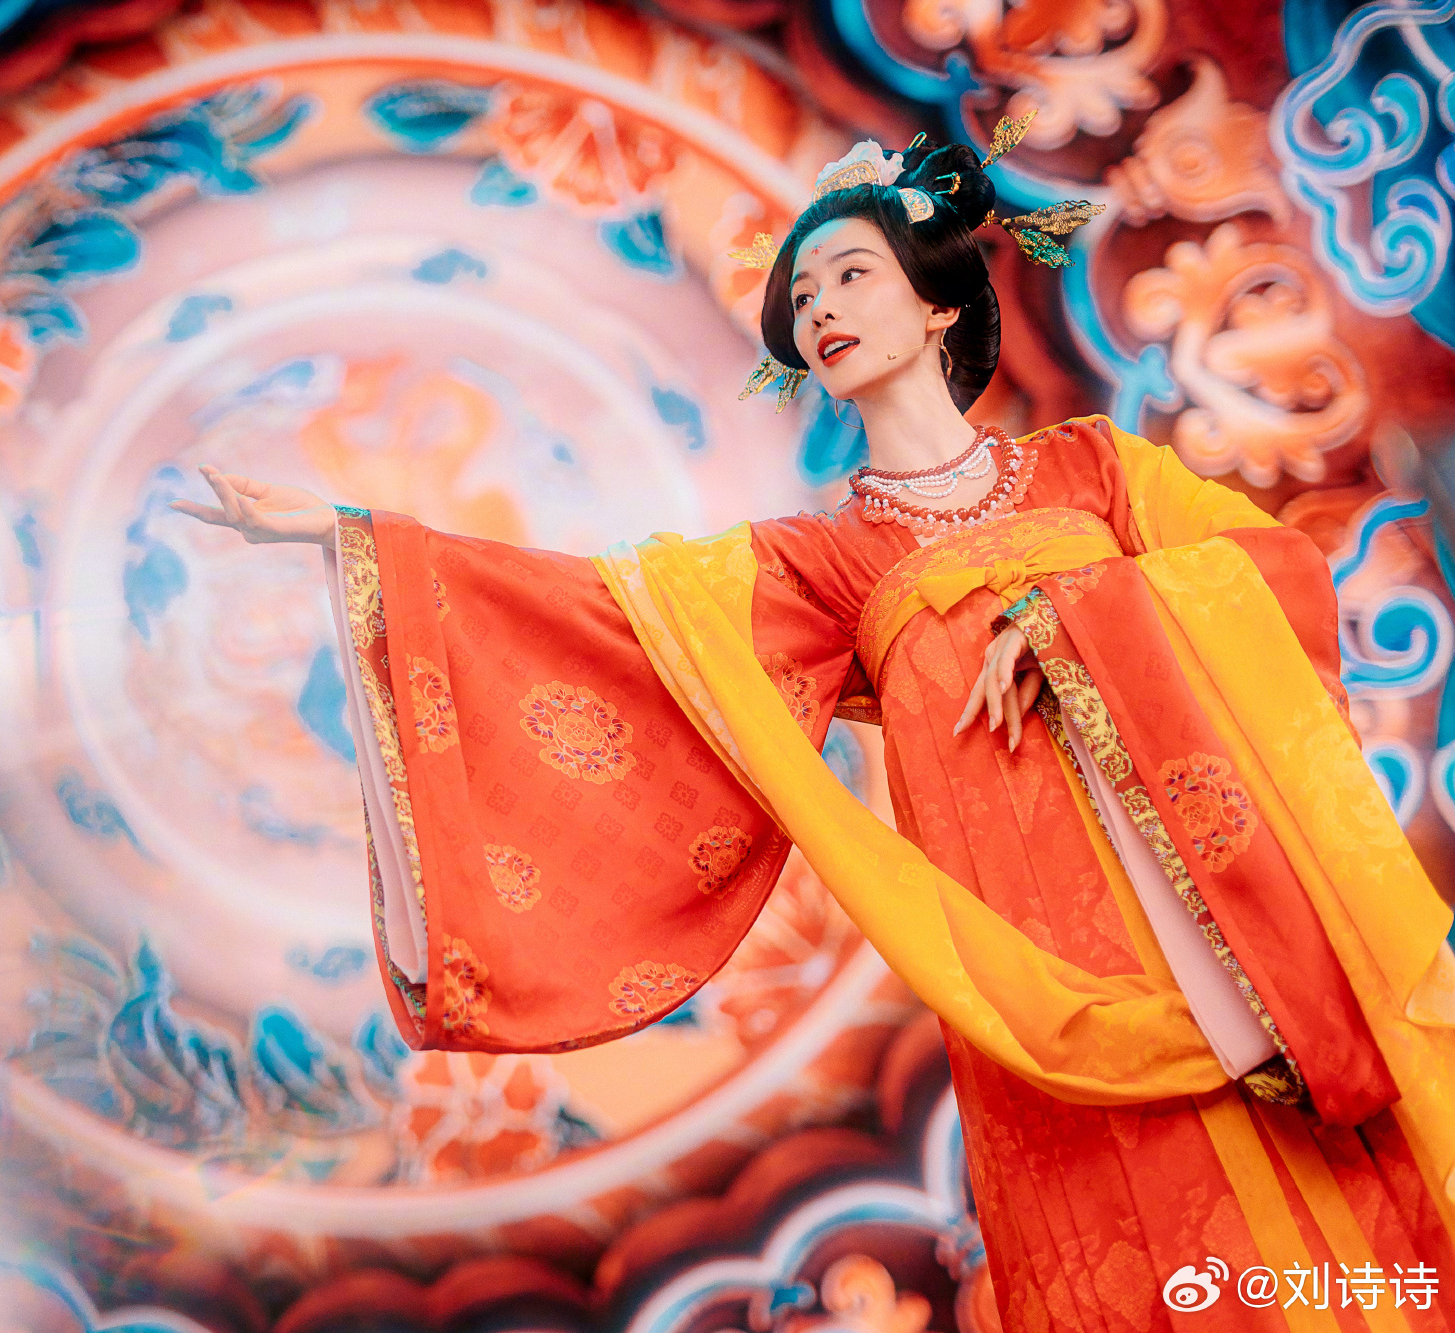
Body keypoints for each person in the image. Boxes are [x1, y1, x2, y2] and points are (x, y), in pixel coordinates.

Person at [171, 123, 1455, 1330]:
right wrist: (359, 543)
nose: (818, 308)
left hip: (1234, 930)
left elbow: (1273, 575)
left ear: (937, 306)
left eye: (849, 275)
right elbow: (607, 619)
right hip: (1030, 966)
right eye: (801, 295)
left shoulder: (1096, 471)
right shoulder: (821, 561)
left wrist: (1078, 619)